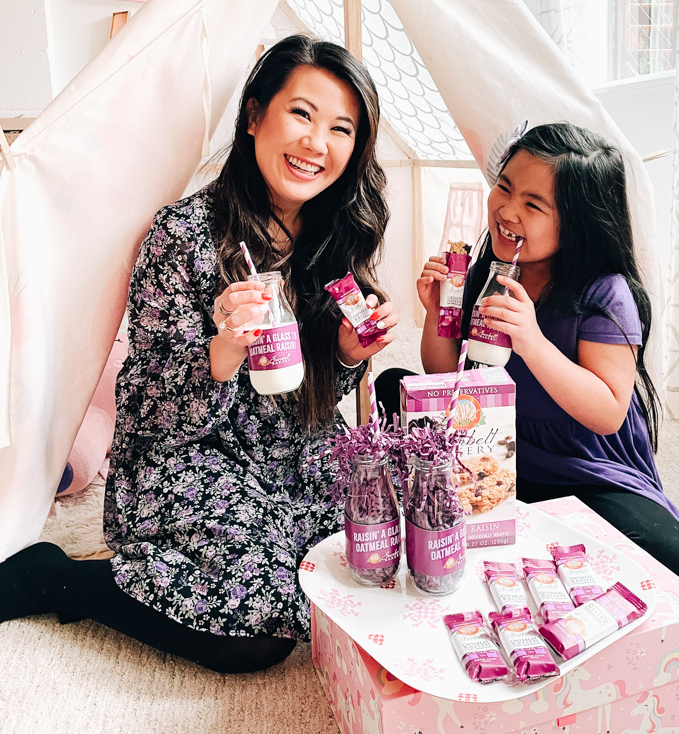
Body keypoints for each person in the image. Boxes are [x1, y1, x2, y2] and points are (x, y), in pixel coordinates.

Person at [0, 34, 399, 671]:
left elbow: (318, 393)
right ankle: (66, 581)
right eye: (301, 113)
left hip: (295, 454)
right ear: (253, 115)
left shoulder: (337, 237)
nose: (316, 144)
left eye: (340, 129)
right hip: (186, 455)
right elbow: (150, 410)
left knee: (386, 542)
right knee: (261, 632)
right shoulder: (183, 233)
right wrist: (222, 351)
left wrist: (349, 355)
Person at [381, 122, 679, 587]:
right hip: (495, 448)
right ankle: (514, 517)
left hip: (582, 466)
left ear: (577, 224)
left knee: (676, 560)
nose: (507, 210)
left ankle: (524, 523)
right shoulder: (487, 270)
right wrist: (437, 312)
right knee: (398, 384)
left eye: (533, 205)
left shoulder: (604, 294)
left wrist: (531, 340)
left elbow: (609, 412)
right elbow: (447, 374)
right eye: (504, 188)